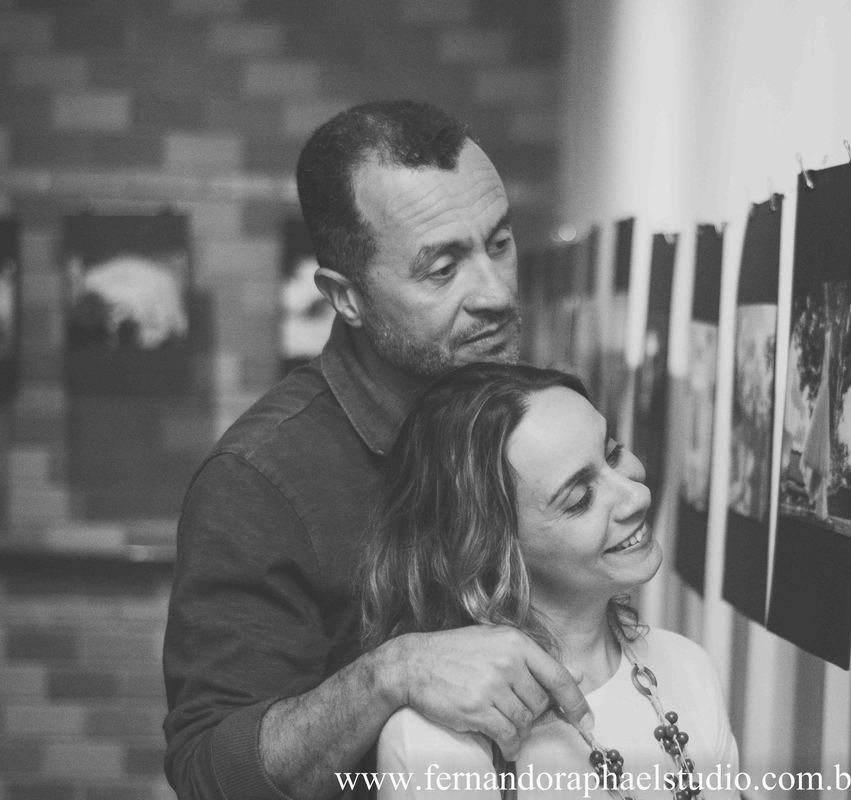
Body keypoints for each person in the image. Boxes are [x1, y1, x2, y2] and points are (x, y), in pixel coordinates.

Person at [162, 101, 591, 800]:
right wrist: (388, 674)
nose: (493, 292)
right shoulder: (258, 481)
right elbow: (211, 771)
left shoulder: (526, 415)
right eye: (442, 266)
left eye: (500, 242)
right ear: (346, 296)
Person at [362, 363, 739, 798]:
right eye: (580, 498)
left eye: (613, 451)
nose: (637, 495)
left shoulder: (689, 667)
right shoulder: (435, 740)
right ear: (490, 551)